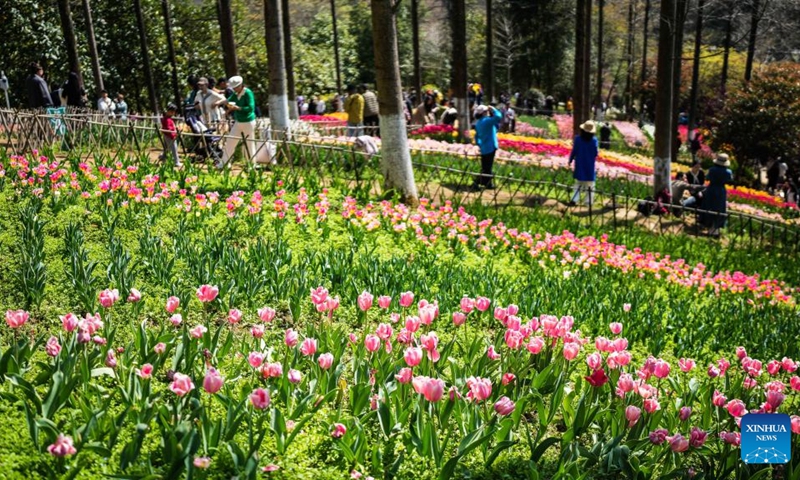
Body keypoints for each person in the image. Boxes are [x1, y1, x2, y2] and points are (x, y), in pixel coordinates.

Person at [216, 75, 257, 168]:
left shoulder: (248, 93)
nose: (234, 89)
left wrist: (238, 108)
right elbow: (229, 100)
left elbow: (251, 107)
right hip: (238, 121)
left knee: (249, 143)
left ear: (241, 85)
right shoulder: (235, 94)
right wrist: (220, 102)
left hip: (248, 121)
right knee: (230, 141)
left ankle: (251, 164)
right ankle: (224, 163)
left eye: (235, 88)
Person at [700, 153, 734, 236]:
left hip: (711, 189)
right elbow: (730, 180)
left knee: (709, 206)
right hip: (721, 190)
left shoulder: (712, 169)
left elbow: (707, 178)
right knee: (719, 208)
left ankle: (708, 227)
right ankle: (715, 229)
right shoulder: (728, 172)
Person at [568, 120, 599, 206]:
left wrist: (570, 160)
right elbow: (596, 153)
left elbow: (574, 151)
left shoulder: (578, 139)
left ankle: (574, 199)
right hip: (589, 165)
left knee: (578, 183)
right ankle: (588, 202)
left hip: (580, 164)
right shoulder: (594, 141)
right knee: (590, 185)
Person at [472, 105, 503, 190]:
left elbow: (477, 136)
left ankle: (488, 183)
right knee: (487, 168)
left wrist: (479, 144)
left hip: (484, 147)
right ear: (483, 113)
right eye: (487, 111)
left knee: (486, 166)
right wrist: (494, 109)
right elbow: (498, 117)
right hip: (490, 146)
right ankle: (476, 182)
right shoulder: (487, 121)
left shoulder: (478, 123)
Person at [160, 103, 182, 167]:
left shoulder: (168, 118)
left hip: (168, 135)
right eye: (172, 111)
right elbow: (168, 129)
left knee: (166, 148)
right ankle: (176, 161)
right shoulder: (167, 119)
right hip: (170, 136)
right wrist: (173, 135)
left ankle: (163, 158)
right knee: (173, 149)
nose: (173, 113)